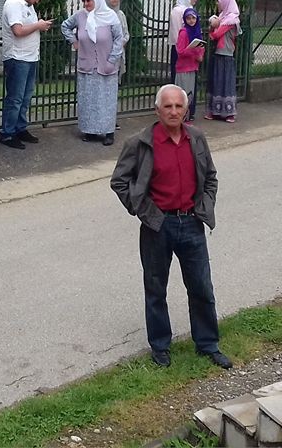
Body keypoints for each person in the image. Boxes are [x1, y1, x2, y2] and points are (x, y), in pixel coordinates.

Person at [109, 84, 232, 371]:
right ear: (157, 110)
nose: (174, 111)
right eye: (168, 106)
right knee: (155, 288)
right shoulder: (140, 143)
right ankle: (160, 347)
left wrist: (204, 207)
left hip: (191, 222)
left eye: (179, 106)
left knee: (201, 286)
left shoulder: (196, 138)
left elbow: (210, 177)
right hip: (157, 225)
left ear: (186, 110)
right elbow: (119, 181)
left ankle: (208, 344)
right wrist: (144, 211)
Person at [61, 0, 124, 145]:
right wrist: (74, 41)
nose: (86, 4)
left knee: (106, 101)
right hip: (87, 66)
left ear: (97, 0)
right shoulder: (80, 16)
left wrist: (112, 59)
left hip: (106, 65)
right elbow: (65, 26)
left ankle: (108, 132)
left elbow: (119, 39)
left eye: (88, 0)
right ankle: (90, 131)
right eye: (84, 1)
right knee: (88, 101)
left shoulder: (110, 16)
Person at [0, 0, 53, 149]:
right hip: (17, 57)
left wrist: (39, 25)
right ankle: (8, 133)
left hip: (30, 57)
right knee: (15, 98)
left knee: (26, 96)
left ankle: (20, 128)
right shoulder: (14, 4)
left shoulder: (27, 4)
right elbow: (18, 30)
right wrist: (38, 25)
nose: (37, 1)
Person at [205, 0, 242, 123]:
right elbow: (212, 30)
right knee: (216, 81)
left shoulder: (231, 19)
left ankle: (229, 112)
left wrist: (213, 26)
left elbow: (216, 34)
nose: (217, 3)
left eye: (219, 1)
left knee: (226, 82)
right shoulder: (222, 17)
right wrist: (213, 26)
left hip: (226, 54)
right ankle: (215, 111)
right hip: (218, 53)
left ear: (225, 2)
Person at [174, 9, 205, 123]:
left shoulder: (197, 31)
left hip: (193, 67)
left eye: (193, 18)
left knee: (190, 94)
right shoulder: (183, 33)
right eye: (188, 18)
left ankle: (186, 116)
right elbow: (180, 51)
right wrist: (193, 51)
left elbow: (201, 47)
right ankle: (180, 117)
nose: (191, 21)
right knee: (183, 93)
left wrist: (200, 55)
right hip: (183, 68)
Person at [168, 0, 199, 83]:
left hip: (192, 49)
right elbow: (176, 33)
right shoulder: (177, 11)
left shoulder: (190, 9)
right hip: (180, 49)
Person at [104, 0, 131, 80]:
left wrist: (121, 42)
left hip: (118, 51)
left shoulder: (121, 15)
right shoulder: (103, 15)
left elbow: (126, 33)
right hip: (105, 52)